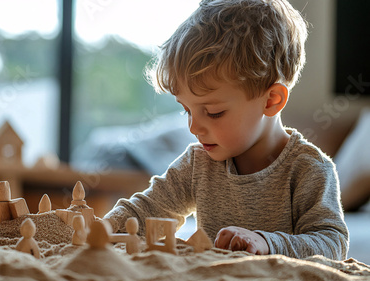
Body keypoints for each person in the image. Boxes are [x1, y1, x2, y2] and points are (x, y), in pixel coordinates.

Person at [103, 0, 349, 260]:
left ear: (271, 100)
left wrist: (267, 242)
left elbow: (332, 243)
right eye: (187, 110)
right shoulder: (198, 163)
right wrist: (102, 227)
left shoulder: (308, 168)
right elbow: (147, 209)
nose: (194, 127)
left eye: (213, 112)